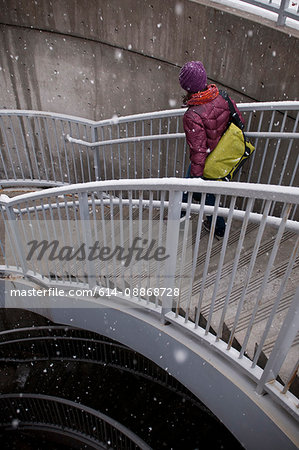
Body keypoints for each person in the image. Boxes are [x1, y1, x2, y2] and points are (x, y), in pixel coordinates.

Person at [179, 61, 245, 238]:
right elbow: (240, 121)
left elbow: (199, 151)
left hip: (208, 160)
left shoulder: (193, 115)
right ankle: (182, 211)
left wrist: (197, 178)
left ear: (187, 87)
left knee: (202, 191)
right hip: (222, 155)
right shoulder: (222, 96)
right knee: (192, 185)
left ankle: (219, 228)